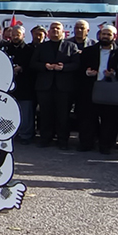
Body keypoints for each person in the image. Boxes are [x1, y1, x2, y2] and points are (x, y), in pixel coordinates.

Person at [31, 21, 81, 149]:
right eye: (52, 28)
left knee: (63, 115)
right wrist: (45, 66)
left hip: (63, 87)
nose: (55, 30)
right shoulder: (42, 47)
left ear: (63, 31)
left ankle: (62, 140)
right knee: (45, 114)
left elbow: (76, 64)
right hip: (44, 86)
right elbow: (33, 64)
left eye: (58, 28)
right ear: (48, 32)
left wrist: (64, 67)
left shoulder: (71, 46)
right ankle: (45, 139)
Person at [78, 24, 118, 154]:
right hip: (90, 88)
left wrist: (114, 74)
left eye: (108, 34)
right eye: (103, 34)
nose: (105, 36)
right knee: (88, 118)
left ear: (114, 36)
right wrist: (87, 73)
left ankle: (106, 145)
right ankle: (86, 143)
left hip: (109, 90)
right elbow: (79, 69)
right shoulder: (88, 51)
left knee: (110, 120)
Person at [4, 25, 37, 143]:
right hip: (7, 85)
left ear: (23, 35)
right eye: (13, 34)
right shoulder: (5, 48)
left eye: (17, 34)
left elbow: (34, 66)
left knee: (25, 111)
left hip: (25, 85)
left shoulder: (30, 50)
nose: (14, 36)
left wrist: (22, 68)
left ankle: (26, 135)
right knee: (8, 110)